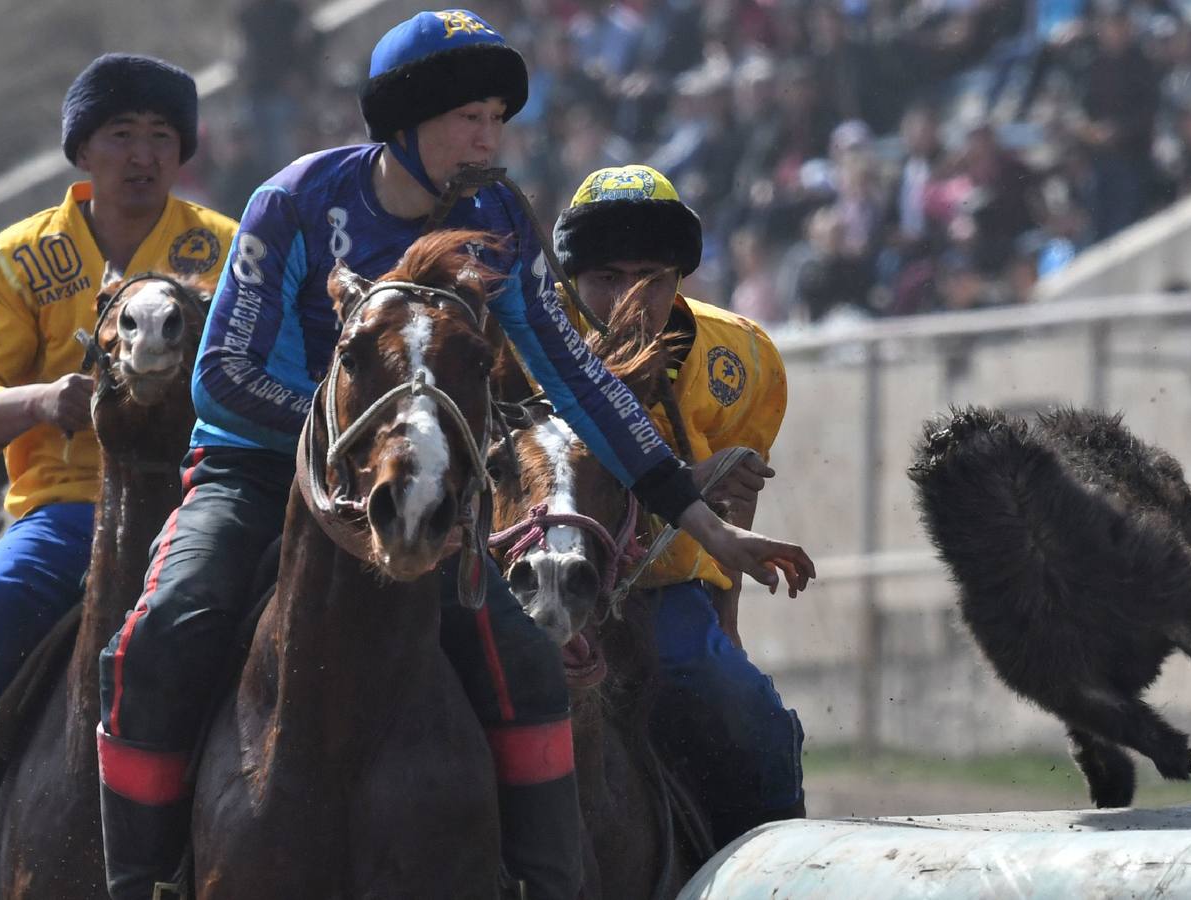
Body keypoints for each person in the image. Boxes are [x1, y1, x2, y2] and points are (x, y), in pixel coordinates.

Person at [94, 11, 814, 900]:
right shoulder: (296, 201)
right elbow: (222, 380)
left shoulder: (497, 217)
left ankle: (546, 887)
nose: (489, 137)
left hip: (423, 485)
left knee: (528, 662)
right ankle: (138, 882)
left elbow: (582, 383)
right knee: (157, 635)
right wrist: (355, 440)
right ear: (407, 122)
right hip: (254, 473)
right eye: (469, 118)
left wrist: (704, 521)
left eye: (496, 120)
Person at [0, 54, 236, 900]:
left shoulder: (229, 246)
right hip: (68, 514)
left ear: (184, 151)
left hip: (208, 504)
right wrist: (41, 401)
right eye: (120, 134)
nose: (143, 153)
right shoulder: (13, 260)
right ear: (83, 151)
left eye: (162, 136)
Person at [553, 163, 805, 846]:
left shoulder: (743, 359)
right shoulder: (528, 344)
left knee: (744, 709)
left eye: (653, 279)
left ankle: (780, 867)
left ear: (679, 278)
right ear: (571, 278)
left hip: (665, 596)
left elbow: (736, 506)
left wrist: (728, 630)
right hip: (542, 598)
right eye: (606, 278)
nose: (630, 300)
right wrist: (689, 478)